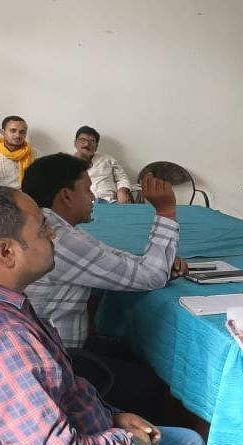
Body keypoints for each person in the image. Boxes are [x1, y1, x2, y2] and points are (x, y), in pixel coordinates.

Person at [0, 183, 243, 445]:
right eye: (42, 228)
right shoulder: (3, 340)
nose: (52, 233)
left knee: (189, 444)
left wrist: (111, 416)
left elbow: (59, 392)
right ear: (6, 252)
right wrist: (124, 441)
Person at [21, 153, 186, 421]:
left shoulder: (52, 227)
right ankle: (144, 441)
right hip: (58, 358)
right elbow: (150, 276)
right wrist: (165, 213)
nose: (93, 197)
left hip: (49, 347)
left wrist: (162, 265)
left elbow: (114, 259)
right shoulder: (58, 238)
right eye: (88, 189)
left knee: (138, 355)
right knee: (148, 384)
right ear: (66, 196)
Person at [71, 126, 133, 204]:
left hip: (109, 202)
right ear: (75, 143)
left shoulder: (107, 159)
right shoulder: (66, 164)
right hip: (81, 205)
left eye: (92, 141)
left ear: (96, 146)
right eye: (82, 140)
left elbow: (122, 178)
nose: (86, 144)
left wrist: (122, 191)